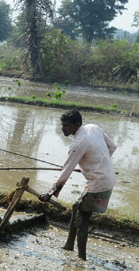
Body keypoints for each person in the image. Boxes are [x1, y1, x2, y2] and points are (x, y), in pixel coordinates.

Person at [41, 109, 117, 261]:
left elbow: (65, 173)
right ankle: (69, 244)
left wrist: (49, 193)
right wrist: (96, 162)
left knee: (83, 219)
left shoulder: (78, 144)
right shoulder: (93, 128)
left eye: (67, 126)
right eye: (62, 125)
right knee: (77, 207)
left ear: (77, 125)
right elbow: (112, 147)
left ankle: (82, 258)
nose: (63, 128)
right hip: (108, 178)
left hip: (99, 184)